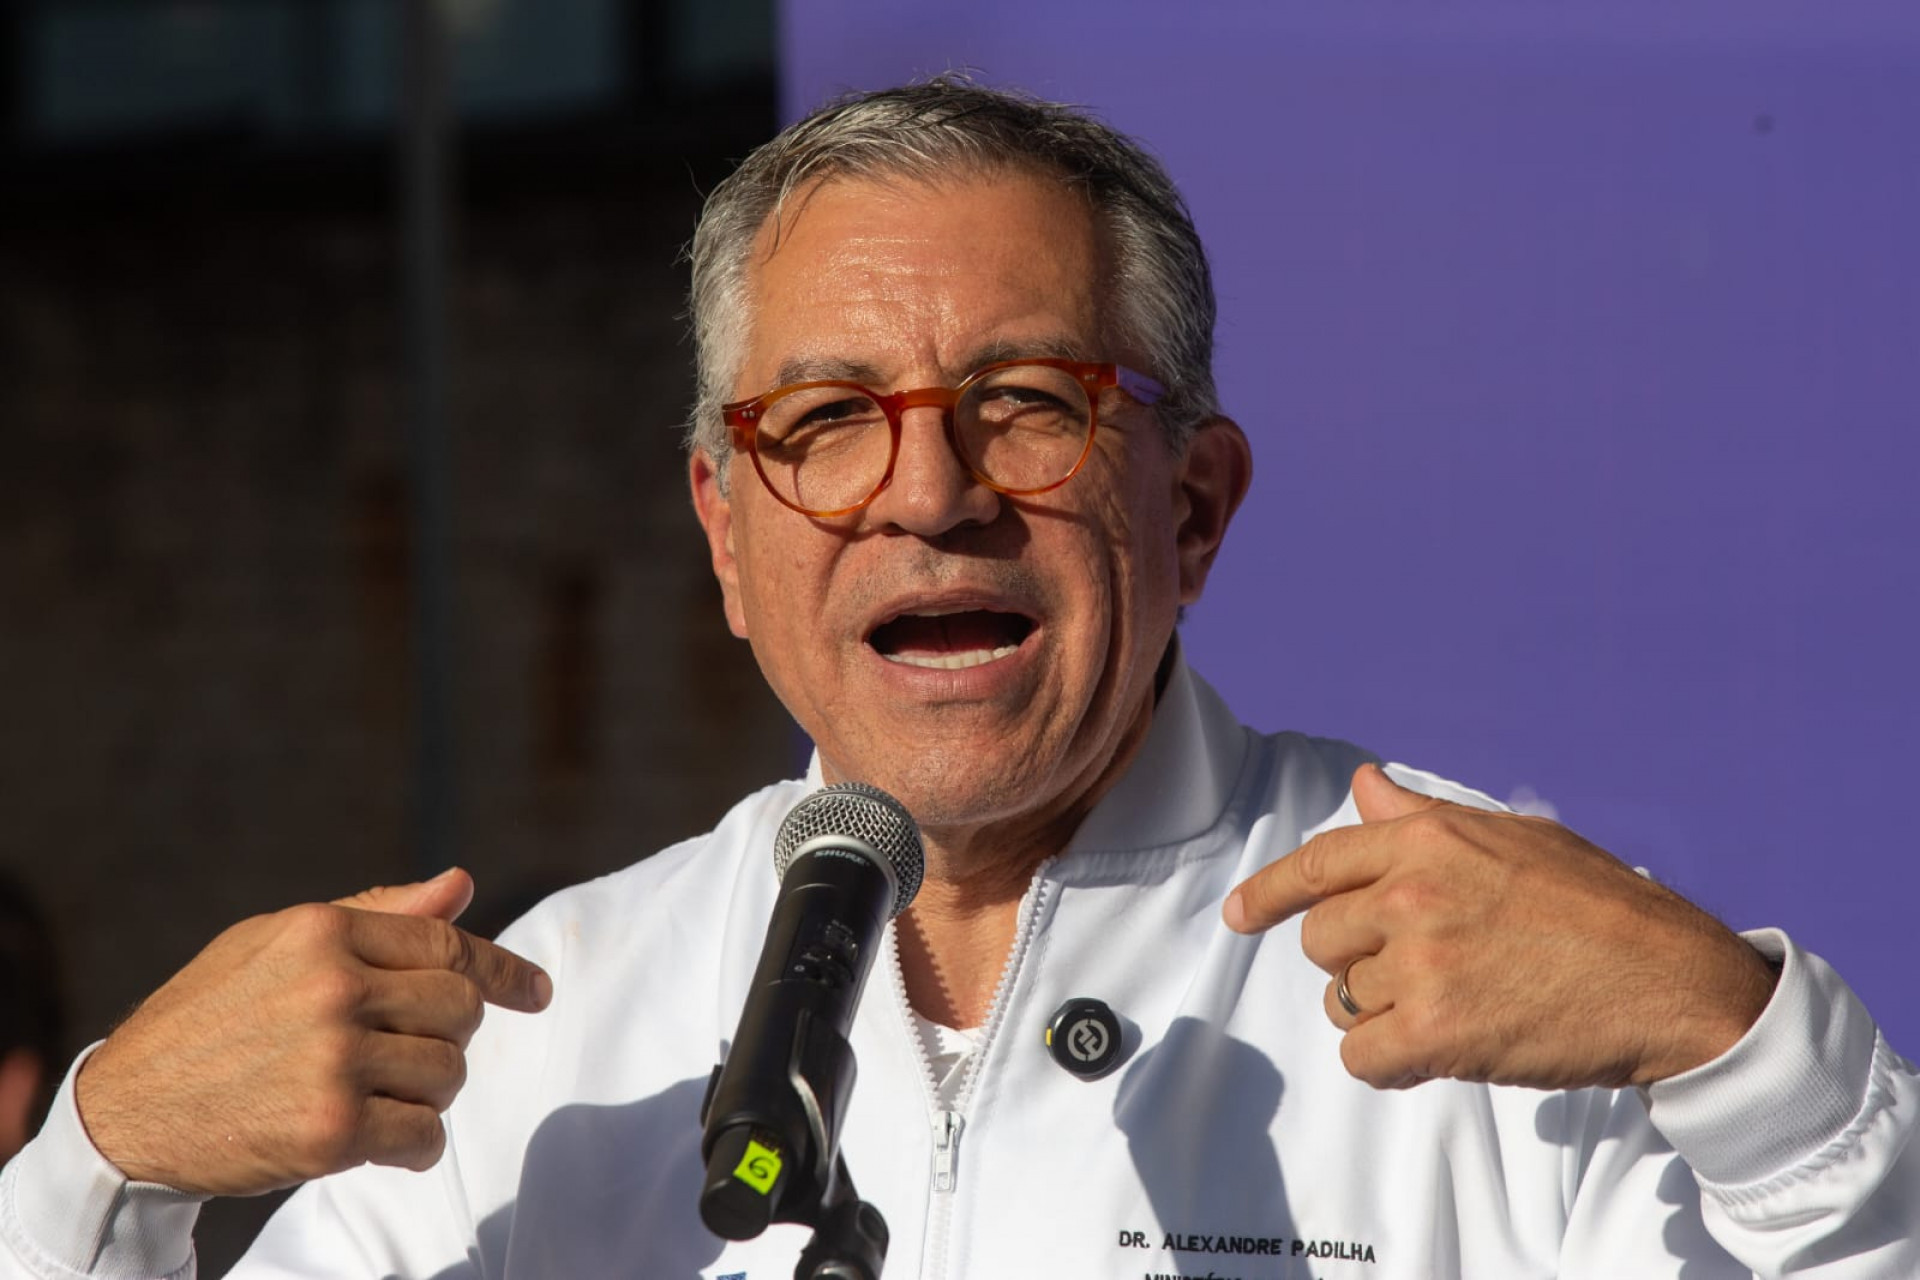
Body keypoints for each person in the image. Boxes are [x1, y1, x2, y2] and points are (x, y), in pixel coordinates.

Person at [3, 79, 1914, 1279]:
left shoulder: (1487, 955)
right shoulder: (546, 1034)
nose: (928, 491)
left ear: (1199, 504)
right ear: (726, 535)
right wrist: (103, 1164)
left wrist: (1743, 1044)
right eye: (828, 419)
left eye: (1027, 405)